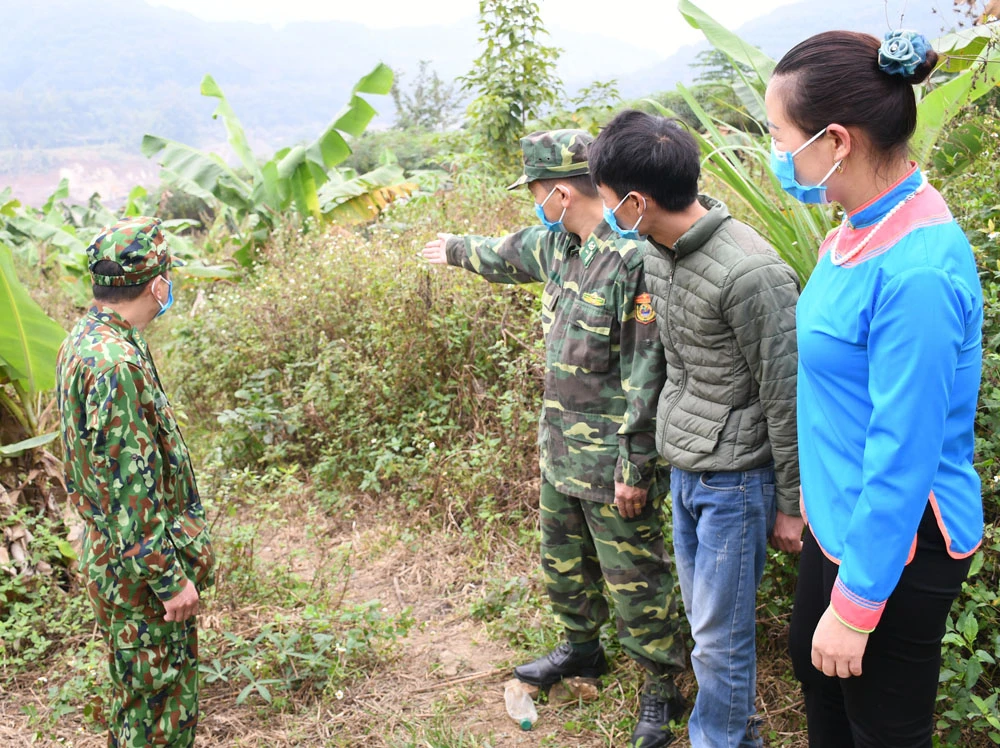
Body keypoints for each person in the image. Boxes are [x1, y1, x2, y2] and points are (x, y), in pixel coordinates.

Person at [422, 129, 687, 747]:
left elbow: (647, 376)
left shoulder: (631, 262)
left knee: (635, 579)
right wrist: (455, 249)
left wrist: (634, 468)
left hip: (612, 463)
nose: (534, 204)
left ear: (561, 192)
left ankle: (660, 687)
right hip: (561, 451)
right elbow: (501, 254)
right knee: (565, 566)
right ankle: (582, 651)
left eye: (537, 192)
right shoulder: (557, 246)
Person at [765, 30, 983, 747]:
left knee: (881, 729)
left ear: (834, 141)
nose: (776, 154)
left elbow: (904, 452)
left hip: (900, 538)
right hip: (840, 521)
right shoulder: (853, 232)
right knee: (821, 690)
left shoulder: (915, 271)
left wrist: (857, 606)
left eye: (779, 136)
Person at [590, 110, 804, 748]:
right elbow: (665, 365)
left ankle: (721, 740)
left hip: (737, 483)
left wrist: (790, 506)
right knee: (710, 629)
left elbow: (786, 395)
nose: (603, 213)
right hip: (687, 466)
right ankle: (738, 732)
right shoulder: (658, 252)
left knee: (718, 637)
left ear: (636, 201)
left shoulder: (752, 273)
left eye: (606, 199)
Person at [56, 216, 215, 747]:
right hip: (139, 572)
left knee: (137, 703)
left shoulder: (90, 335)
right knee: (159, 714)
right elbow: (129, 489)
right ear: (157, 284)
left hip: (114, 555)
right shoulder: (114, 362)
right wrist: (168, 579)